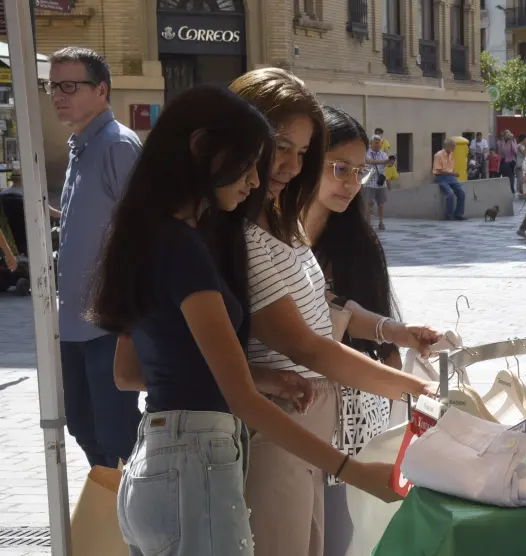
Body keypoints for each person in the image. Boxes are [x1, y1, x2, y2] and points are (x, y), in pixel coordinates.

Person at [90, 84, 390, 555]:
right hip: (195, 467)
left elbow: (132, 371)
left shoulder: (149, 235)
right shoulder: (186, 249)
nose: (255, 180)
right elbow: (243, 399)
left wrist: (265, 378)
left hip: (152, 461)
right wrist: (354, 471)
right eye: (250, 162)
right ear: (202, 148)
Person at [231, 68, 438, 556]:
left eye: (302, 153)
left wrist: (397, 338)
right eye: (282, 146)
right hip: (284, 424)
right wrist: (421, 389)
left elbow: (327, 313)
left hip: (311, 421)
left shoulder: (284, 226)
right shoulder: (242, 234)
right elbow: (309, 346)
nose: (289, 165)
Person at [303, 107, 445, 556]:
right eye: (339, 168)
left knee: (342, 534)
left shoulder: (359, 243)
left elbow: (370, 326)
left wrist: (400, 340)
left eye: (359, 172)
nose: (349, 183)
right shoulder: (269, 235)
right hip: (295, 403)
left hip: (353, 408)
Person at [49, 46, 142, 468]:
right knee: (82, 427)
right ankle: (112, 519)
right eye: (54, 86)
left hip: (109, 324)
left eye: (70, 85)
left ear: (101, 89)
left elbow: (145, 232)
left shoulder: (117, 145)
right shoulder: (79, 147)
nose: (58, 94)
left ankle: (135, 523)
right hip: (72, 323)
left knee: (115, 433)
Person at [434, 137, 467, 220]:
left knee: (461, 192)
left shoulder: (451, 154)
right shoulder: (438, 155)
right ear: (447, 146)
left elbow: (452, 167)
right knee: (450, 193)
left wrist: (454, 174)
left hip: (451, 177)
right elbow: (438, 170)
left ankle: (459, 214)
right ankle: (448, 214)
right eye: (453, 146)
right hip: (441, 177)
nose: (454, 148)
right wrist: (452, 173)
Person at [363, 135, 389, 230]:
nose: (378, 145)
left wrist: (390, 163)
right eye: (376, 143)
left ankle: (381, 223)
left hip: (381, 182)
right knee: (368, 204)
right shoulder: (367, 153)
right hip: (370, 182)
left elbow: (387, 165)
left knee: (381, 203)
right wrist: (384, 161)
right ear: (371, 143)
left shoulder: (383, 154)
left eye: (379, 143)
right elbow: (370, 161)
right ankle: (368, 224)